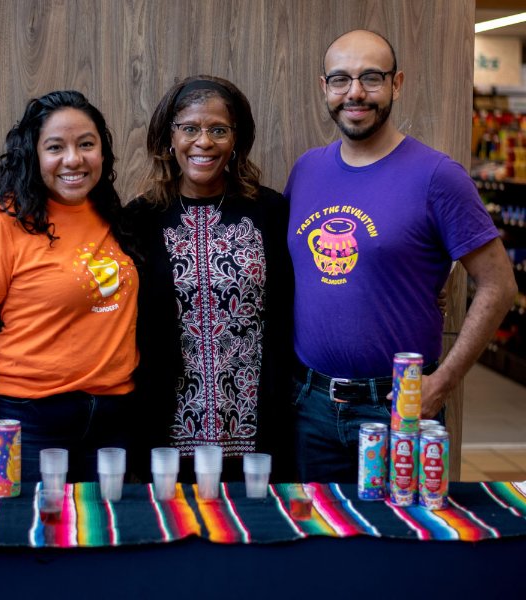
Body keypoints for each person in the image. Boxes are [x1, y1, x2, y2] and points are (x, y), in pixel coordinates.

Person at [285, 30, 517, 483]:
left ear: (398, 83)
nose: (355, 92)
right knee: (315, 544)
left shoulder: (438, 176)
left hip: (398, 407)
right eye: (340, 79)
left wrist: (443, 383)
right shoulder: (307, 169)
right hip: (309, 406)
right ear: (324, 87)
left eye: (371, 77)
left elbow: (499, 284)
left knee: (403, 544)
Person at [0, 90, 139, 482]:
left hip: (114, 417)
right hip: (31, 420)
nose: (73, 159)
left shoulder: (111, 215)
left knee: (107, 534)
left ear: (102, 152)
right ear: (33, 155)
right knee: (36, 535)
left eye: (86, 144)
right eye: (56, 147)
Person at [126, 75, 294, 481]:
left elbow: (308, 288)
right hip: (163, 425)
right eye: (190, 129)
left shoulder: (269, 211)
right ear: (170, 137)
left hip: (259, 426)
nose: (204, 142)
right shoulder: (139, 218)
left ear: (236, 139)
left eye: (218, 130)